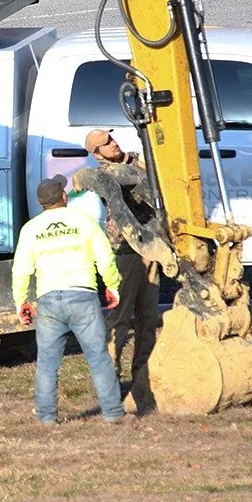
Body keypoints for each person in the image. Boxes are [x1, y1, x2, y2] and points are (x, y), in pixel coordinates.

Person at [12, 174, 126, 425]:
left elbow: (21, 270)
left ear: (41, 203)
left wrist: (22, 302)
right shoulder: (84, 222)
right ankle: (113, 414)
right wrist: (112, 285)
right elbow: (105, 258)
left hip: (49, 301)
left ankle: (47, 418)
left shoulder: (31, 229)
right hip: (83, 297)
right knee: (98, 357)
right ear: (64, 197)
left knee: (47, 363)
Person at [75, 129, 160, 401]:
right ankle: (109, 383)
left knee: (148, 318)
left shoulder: (140, 161)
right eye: (105, 144)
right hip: (125, 250)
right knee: (120, 319)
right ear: (97, 155)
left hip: (151, 248)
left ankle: (142, 379)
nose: (113, 144)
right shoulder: (104, 175)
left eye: (111, 139)